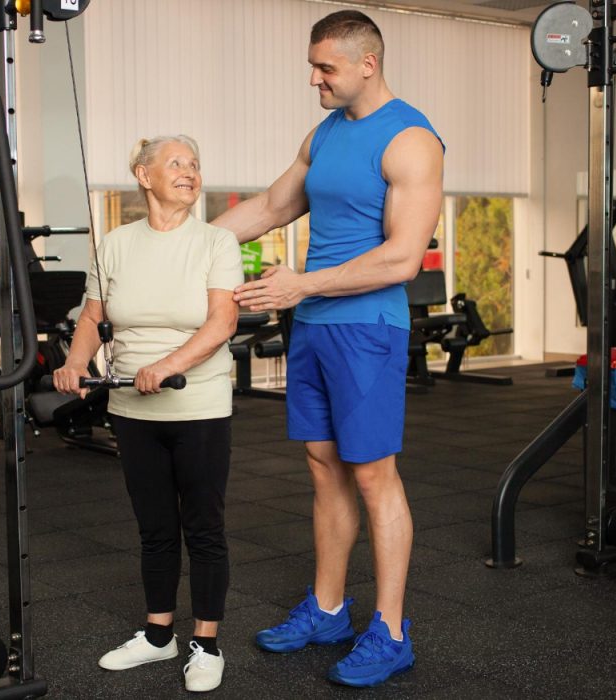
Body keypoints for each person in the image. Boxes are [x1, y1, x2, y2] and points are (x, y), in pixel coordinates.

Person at [211, 9, 444, 688]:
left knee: (374, 474)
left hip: (368, 325)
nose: (313, 78)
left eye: (325, 68)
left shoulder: (411, 140)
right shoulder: (324, 133)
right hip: (312, 322)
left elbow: (402, 258)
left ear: (366, 64)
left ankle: (392, 629)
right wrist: (186, 245)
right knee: (323, 466)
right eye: (313, 66)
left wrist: (299, 284)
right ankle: (329, 607)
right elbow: (274, 206)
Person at [53, 135, 243, 693]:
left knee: (203, 527)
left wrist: (165, 364)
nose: (190, 172)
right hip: (132, 407)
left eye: (195, 164)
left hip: (199, 404)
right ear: (143, 175)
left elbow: (221, 324)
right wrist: (74, 361)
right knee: (155, 528)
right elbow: (92, 320)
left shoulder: (217, 241)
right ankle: (159, 636)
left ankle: (206, 643)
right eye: (177, 163)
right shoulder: (114, 244)